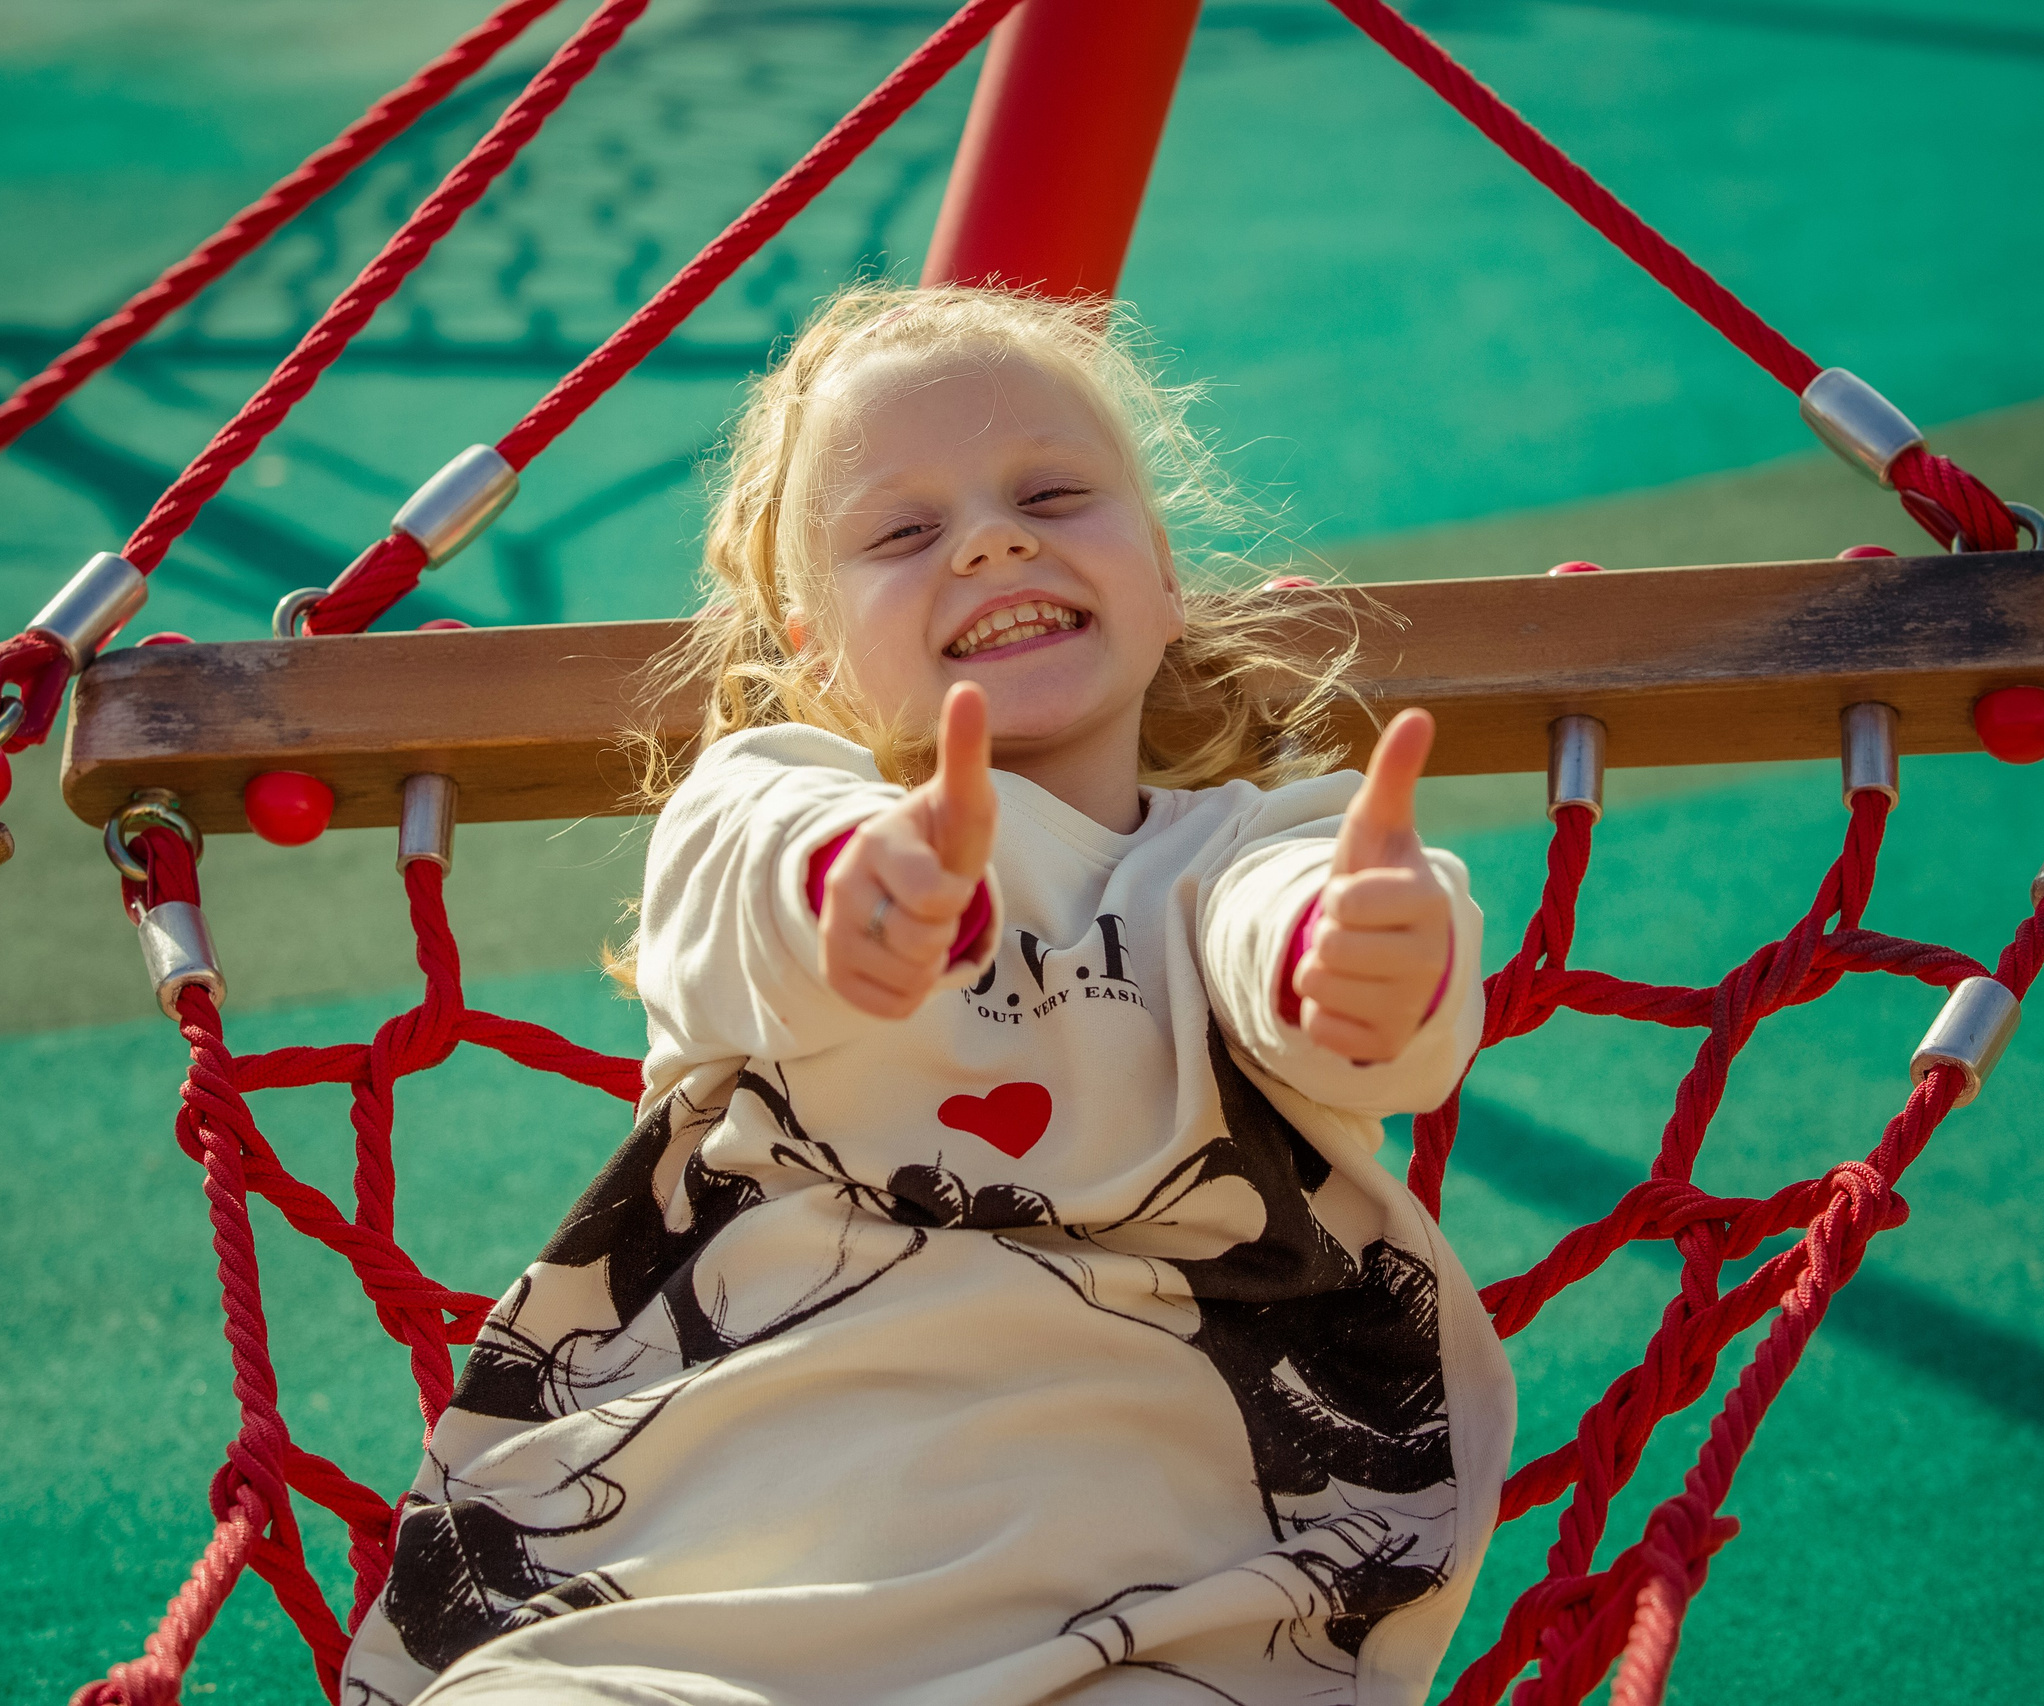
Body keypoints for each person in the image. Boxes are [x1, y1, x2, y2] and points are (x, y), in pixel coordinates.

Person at [342, 285, 1511, 1706]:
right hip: (709, 1594)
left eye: (1055, 492)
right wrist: (859, 883)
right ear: (812, 647)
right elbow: (753, 876)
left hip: (1160, 1609)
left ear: (1160, 568)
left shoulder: (1254, 853)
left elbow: (1308, 949)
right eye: (904, 530)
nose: (993, 536)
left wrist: (1362, 962)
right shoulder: (766, 806)